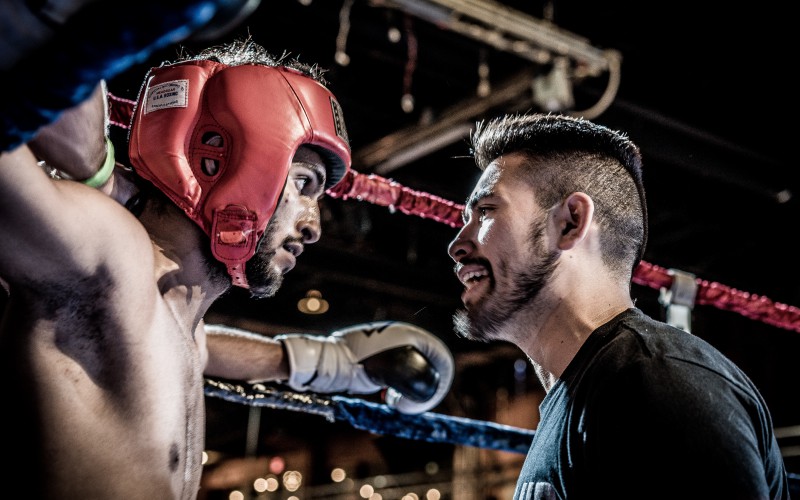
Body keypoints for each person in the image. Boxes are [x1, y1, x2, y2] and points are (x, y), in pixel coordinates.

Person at [0, 38, 454, 499]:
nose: (314, 226)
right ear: (230, 160)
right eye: (302, 184)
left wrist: (321, 362)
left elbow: (192, 348)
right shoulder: (108, 253)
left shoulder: (177, 318)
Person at [447, 113, 790, 499]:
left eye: (487, 211)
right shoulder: (587, 398)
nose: (457, 244)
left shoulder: (656, 386)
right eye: (466, 219)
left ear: (570, 222)